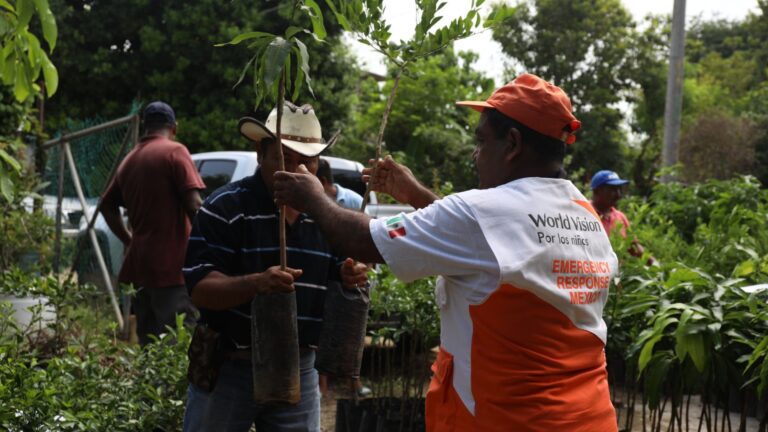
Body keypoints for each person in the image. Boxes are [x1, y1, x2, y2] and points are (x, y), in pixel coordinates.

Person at [273, 74, 620, 431]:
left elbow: (363, 241)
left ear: (513, 143)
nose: (476, 154)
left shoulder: (482, 212)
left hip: (504, 420)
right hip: (588, 416)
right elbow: (490, 242)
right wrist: (416, 195)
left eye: (482, 141)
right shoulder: (585, 216)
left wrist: (313, 196)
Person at [181, 102, 369, 432]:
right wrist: (256, 283)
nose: (297, 171)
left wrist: (347, 274)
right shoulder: (225, 207)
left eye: (306, 161)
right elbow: (200, 290)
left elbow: (339, 269)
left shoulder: (327, 216)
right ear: (260, 153)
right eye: (285, 158)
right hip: (229, 366)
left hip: (300, 366)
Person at [102, 101, 204, 346]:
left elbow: (106, 206)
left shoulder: (129, 161)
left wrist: (130, 239)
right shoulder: (174, 152)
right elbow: (194, 205)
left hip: (140, 269)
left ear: (145, 127)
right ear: (174, 128)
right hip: (173, 270)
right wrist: (210, 247)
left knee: (150, 350)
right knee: (177, 346)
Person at [315, 157, 371, 399]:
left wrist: (362, 267)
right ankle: (321, 388)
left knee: (354, 331)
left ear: (324, 181)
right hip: (326, 274)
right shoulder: (309, 206)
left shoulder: (353, 201)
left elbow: (369, 240)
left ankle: (353, 384)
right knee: (322, 332)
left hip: (351, 275)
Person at [590, 169, 631, 237]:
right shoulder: (583, 214)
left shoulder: (621, 217)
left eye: (619, 189)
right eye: (613, 189)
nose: (618, 195)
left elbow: (633, 244)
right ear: (597, 191)